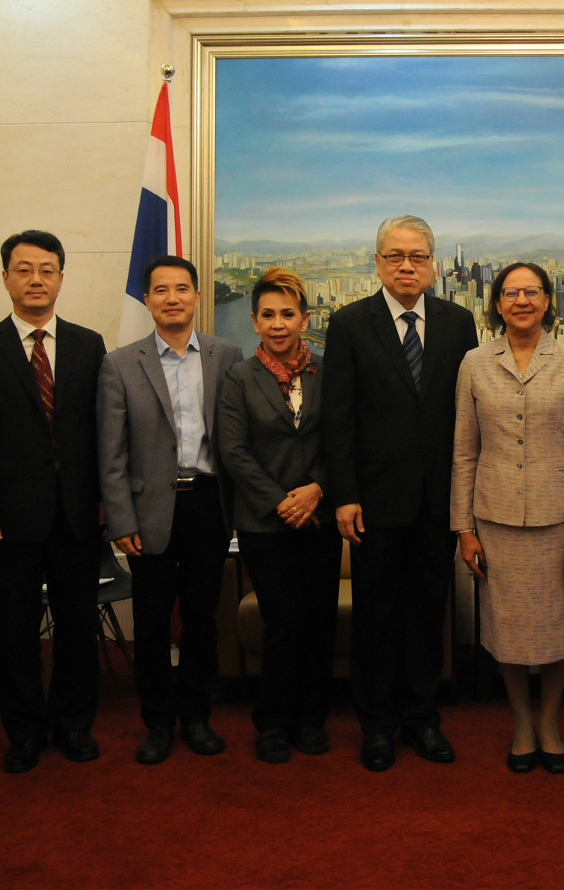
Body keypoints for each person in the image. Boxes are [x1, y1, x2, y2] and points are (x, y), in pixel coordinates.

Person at [322, 215, 479, 771]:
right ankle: (377, 726)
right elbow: (337, 417)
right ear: (377, 263)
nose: (406, 266)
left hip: (438, 501)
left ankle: (422, 719)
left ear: (433, 265)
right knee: (376, 616)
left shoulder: (459, 323)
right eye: (395, 256)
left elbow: (469, 414)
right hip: (374, 502)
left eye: (417, 256)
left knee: (427, 614)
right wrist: (345, 494)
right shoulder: (349, 323)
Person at [0, 230, 108, 773]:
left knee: (77, 627)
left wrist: (105, 500)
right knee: (17, 631)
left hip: (78, 512)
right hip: (9, 516)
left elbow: (102, 432)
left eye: (47, 270)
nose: (36, 279)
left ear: (61, 278)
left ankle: (73, 725)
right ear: (5, 279)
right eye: (24, 270)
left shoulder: (89, 345)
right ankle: (23, 733)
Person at [451, 263, 564, 773]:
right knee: (508, 632)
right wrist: (463, 528)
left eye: (531, 292)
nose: (521, 300)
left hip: (559, 521)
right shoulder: (474, 362)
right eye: (511, 292)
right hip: (495, 521)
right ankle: (521, 725)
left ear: (546, 301)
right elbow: (464, 452)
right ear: (497, 303)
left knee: (558, 630)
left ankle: (551, 724)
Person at [97, 255, 243, 765]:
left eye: (182, 288)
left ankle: (197, 717)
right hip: (148, 509)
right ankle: (158, 722)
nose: (172, 298)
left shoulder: (226, 355)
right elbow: (110, 453)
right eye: (161, 290)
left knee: (203, 619)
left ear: (197, 296)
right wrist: (120, 519)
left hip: (208, 504)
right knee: (153, 621)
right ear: (147, 299)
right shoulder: (120, 363)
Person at [217, 267, 342, 765]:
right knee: (284, 620)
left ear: (304, 319)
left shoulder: (327, 372)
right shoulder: (239, 377)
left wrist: (317, 489)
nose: (277, 324)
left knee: (319, 621)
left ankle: (311, 720)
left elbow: (342, 439)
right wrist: (281, 501)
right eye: (267, 315)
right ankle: (271, 722)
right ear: (254, 322)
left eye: (287, 314)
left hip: (320, 517)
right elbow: (233, 451)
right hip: (264, 524)